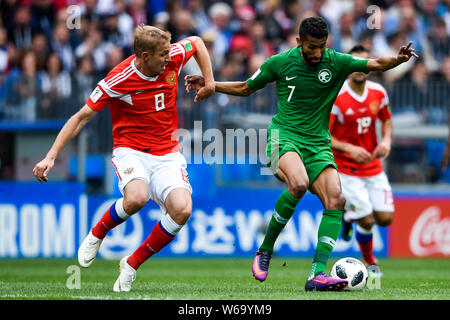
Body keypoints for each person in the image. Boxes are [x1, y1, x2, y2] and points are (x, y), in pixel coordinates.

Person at [185, 16, 418, 291]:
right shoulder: (280, 62)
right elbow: (247, 87)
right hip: (282, 138)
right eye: (311, 48)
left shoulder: (337, 61)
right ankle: (265, 249)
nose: (317, 53)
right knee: (298, 183)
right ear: (299, 42)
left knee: (336, 199)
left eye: (321, 46)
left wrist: (399, 59)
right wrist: (213, 85)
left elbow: (375, 64)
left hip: (318, 143)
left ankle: (317, 274)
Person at [33, 25, 215, 292]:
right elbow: (81, 117)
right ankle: (97, 233)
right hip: (131, 149)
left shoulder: (172, 56)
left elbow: (197, 42)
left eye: (168, 52)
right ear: (144, 55)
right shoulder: (119, 79)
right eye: (162, 54)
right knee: (136, 198)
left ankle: (131, 263)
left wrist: (209, 82)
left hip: (167, 152)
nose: (169, 58)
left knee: (182, 209)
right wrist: (50, 156)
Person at [329, 45, 394, 277]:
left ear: (370, 68)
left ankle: (348, 216)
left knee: (385, 219)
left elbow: (386, 120)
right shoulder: (338, 96)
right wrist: (349, 148)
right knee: (367, 219)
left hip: (373, 167)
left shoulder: (379, 93)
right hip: (346, 169)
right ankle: (370, 263)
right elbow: (324, 134)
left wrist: (386, 141)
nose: (359, 69)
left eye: (364, 63)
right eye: (354, 63)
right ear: (348, 67)